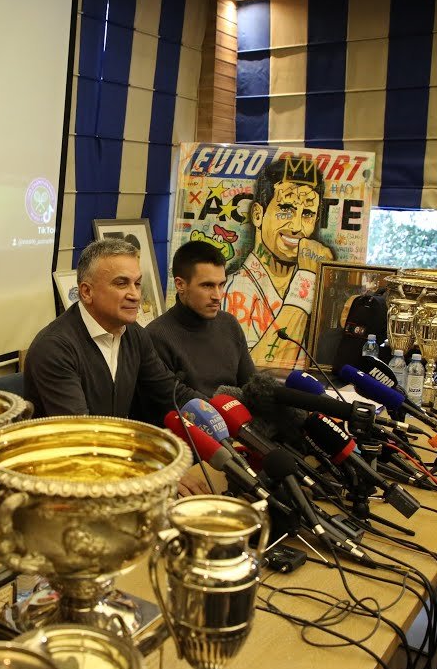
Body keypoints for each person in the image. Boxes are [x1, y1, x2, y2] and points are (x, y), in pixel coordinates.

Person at [24, 237, 212, 495]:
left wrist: (219, 419)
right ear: (86, 292)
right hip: (62, 482)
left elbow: (171, 393)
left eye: (137, 283)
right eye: (121, 283)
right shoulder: (54, 348)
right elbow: (83, 435)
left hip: (114, 468)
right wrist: (155, 471)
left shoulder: (134, 334)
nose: (135, 295)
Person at [223, 156, 335, 369]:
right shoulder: (236, 289)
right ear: (258, 215)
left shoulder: (316, 281)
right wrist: (305, 281)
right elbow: (254, 372)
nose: (297, 226)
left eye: (307, 214)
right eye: (286, 210)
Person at [146, 239, 255, 397]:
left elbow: (252, 388)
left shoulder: (229, 324)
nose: (217, 296)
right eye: (207, 286)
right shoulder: (156, 336)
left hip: (238, 412)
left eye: (221, 285)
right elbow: (167, 401)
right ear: (180, 285)